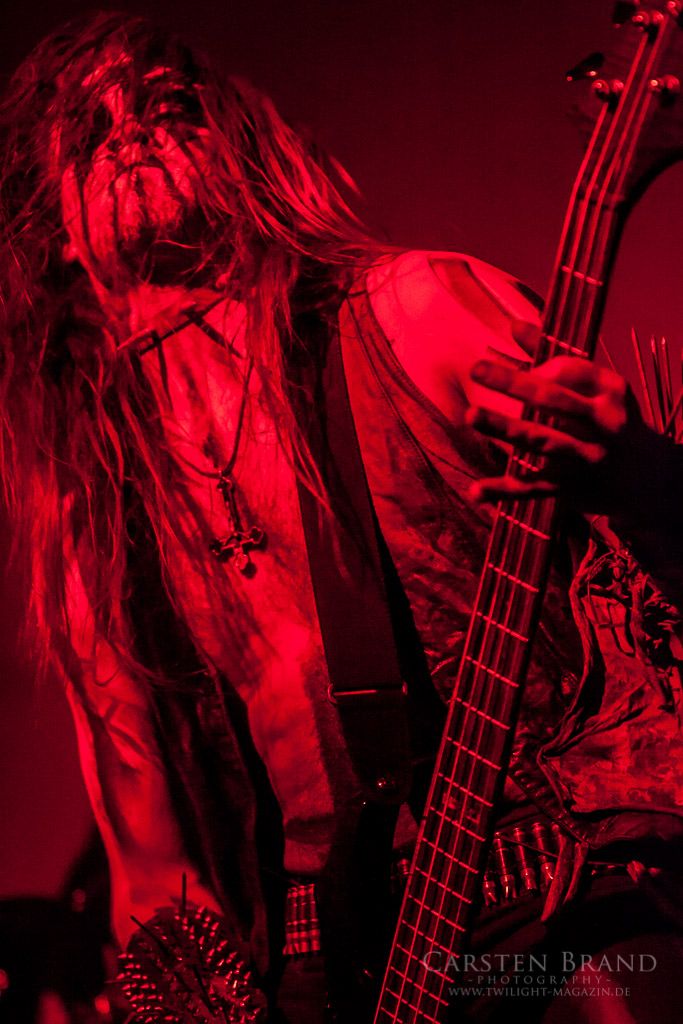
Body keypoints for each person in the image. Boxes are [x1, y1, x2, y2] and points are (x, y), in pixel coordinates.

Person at [3, 10, 683, 1023]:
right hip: (322, 952)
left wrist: (638, 469)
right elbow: (154, 876)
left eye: (164, 105)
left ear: (235, 148)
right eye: (90, 130)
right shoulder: (97, 515)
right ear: (53, 225)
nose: (130, 134)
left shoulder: (415, 311)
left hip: (543, 877)